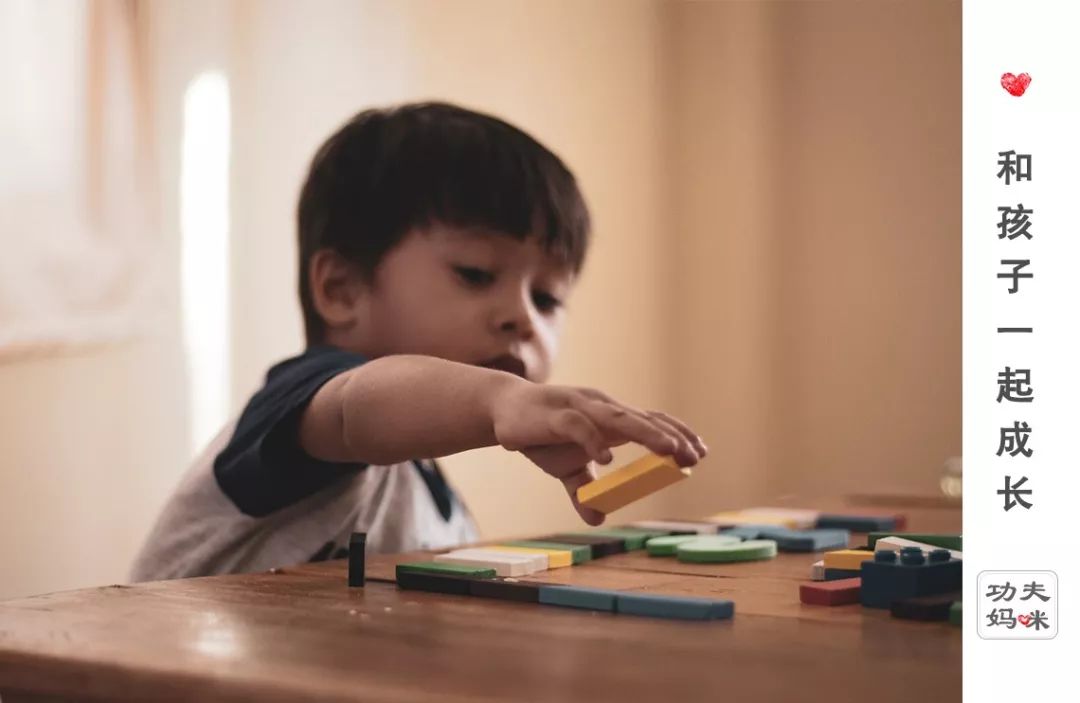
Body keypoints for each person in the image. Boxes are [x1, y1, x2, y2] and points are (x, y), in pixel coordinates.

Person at [131, 102, 707, 581]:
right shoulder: (311, 410)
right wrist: (495, 400)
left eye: (549, 297)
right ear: (343, 289)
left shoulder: (440, 507)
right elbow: (362, 408)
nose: (522, 318)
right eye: (477, 274)